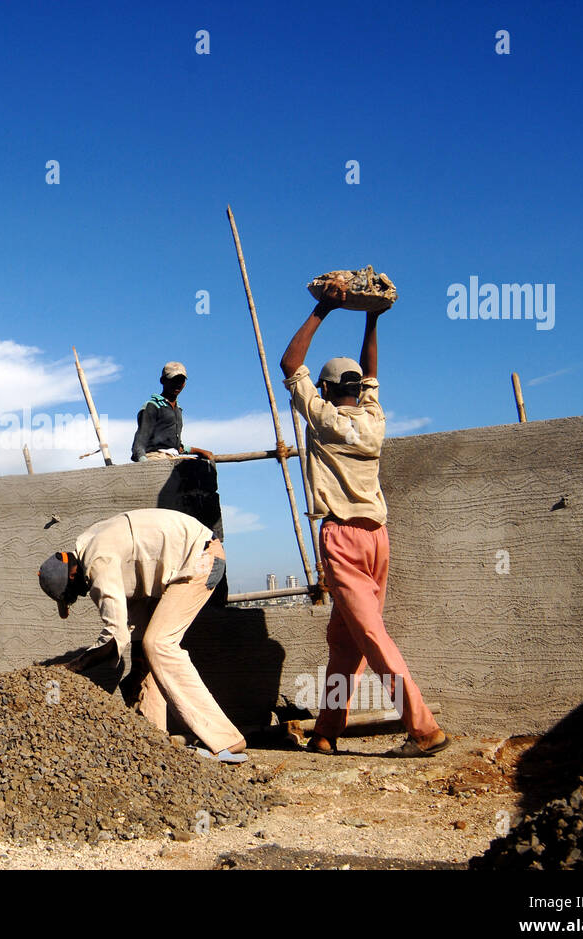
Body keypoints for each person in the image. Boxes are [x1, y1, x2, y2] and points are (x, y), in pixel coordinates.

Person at [278, 278, 448, 758]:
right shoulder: (374, 420)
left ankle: (423, 729)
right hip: (378, 539)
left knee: (371, 635)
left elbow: (291, 366)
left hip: (342, 539)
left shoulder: (325, 419)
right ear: (358, 389)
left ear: (329, 389)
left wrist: (325, 308)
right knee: (343, 643)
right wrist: (372, 317)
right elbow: (370, 374)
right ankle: (327, 731)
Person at [37, 507, 247, 763]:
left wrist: (69, 669)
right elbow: (130, 635)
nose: (83, 595)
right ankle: (151, 739)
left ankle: (225, 739)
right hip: (171, 571)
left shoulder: (97, 561)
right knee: (145, 650)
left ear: (72, 574)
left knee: (159, 643)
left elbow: (114, 640)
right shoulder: (103, 551)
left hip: (199, 559)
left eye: (76, 592)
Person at [130, 362, 214, 463]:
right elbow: (139, 445)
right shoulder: (153, 406)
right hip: (155, 457)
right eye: (173, 380)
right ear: (163, 381)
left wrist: (200, 451)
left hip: (173, 456)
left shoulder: (178, 409)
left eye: (181, 380)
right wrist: (145, 464)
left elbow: (176, 446)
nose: (177, 384)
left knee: (201, 467)